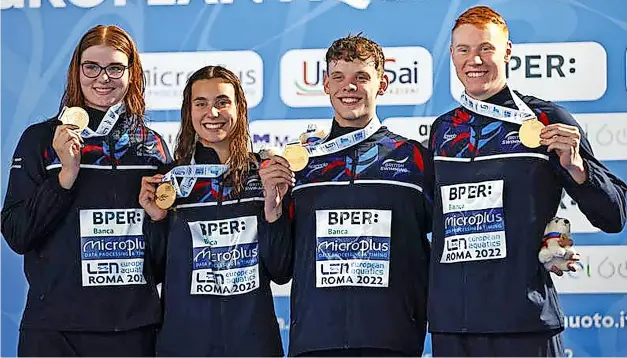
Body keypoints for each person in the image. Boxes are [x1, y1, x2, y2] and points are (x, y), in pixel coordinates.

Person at [427, 6, 627, 357]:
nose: (475, 60)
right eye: (464, 50)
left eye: (486, 48)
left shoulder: (548, 120)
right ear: (452, 55)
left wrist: (578, 167)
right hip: (453, 327)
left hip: (525, 322)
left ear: (507, 52)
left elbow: (615, 215)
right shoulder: (442, 130)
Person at [1, 25, 171, 356]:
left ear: (132, 73)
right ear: (76, 71)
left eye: (115, 67)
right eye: (91, 66)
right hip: (55, 331)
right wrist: (65, 176)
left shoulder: (152, 147)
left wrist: (158, 220)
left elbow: (164, 261)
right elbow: (17, 234)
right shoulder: (41, 140)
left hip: (133, 329)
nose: (102, 78)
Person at [259, 34, 433, 357]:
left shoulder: (415, 160)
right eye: (338, 77)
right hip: (316, 343)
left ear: (382, 84)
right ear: (326, 85)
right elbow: (279, 268)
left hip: (391, 342)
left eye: (361, 77)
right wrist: (273, 213)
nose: (348, 87)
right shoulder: (303, 165)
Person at [139, 65, 287, 357]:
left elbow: (281, 271)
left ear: (239, 108)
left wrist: (273, 210)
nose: (213, 113)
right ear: (188, 112)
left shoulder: (264, 176)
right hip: (184, 345)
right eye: (201, 103)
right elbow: (152, 274)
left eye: (222, 102)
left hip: (253, 344)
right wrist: (156, 219)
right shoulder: (170, 183)